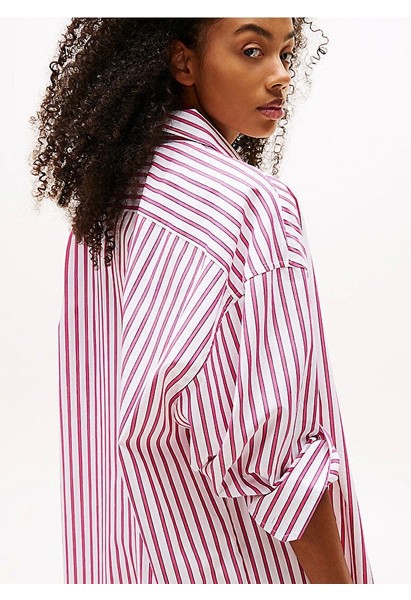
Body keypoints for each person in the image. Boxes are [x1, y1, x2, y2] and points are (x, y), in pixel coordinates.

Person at [30, 17, 374, 584]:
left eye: (286, 53)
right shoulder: (253, 208)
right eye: (252, 50)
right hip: (230, 565)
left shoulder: (108, 203)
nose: (281, 75)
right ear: (183, 61)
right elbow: (279, 457)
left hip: (123, 562)